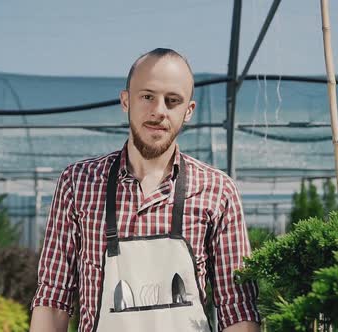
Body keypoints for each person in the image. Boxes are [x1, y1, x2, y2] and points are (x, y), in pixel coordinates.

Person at [30, 48, 261, 332]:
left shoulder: (218, 190)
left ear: (188, 111)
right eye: (147, 96)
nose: (159, 111)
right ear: (126, 101)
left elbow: (237, 307)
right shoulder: (78, 183)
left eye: (172, 100)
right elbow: (53, 299)